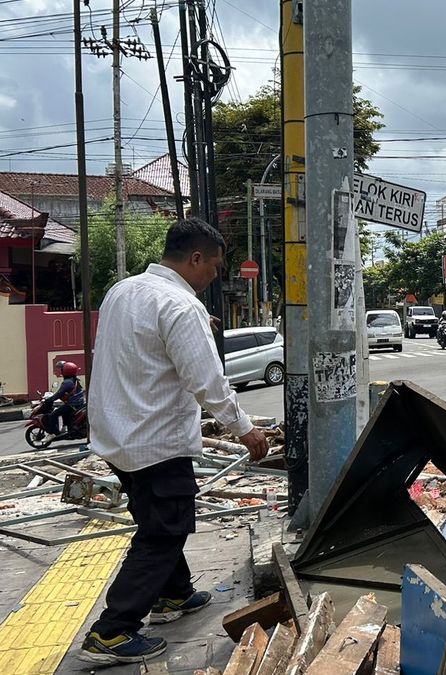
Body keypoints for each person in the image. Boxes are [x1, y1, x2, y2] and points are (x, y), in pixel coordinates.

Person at [78, 218, 269, 665]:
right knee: (165, 529)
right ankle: (113, 630)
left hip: (117, 436)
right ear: (196, 258)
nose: (215, 277)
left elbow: (146, 342)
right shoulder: (182, 308)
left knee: (158, 516)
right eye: (215, 267)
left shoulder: (124, 291)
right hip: (155, 438)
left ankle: (174, 595)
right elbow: (207, 381)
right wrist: (243, 428)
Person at [46, 360, 86, 437]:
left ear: (65, 371)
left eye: (62, 370)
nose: (61, 371)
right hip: (79, 403)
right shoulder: (74, 380)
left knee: (53, 415)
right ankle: (65, 428)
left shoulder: (67, 382)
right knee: (62, 410)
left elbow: (59, 394)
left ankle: (53, 433)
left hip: (73, 404)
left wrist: (49, 400)